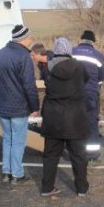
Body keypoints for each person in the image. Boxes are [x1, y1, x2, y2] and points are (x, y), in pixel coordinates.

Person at [40, 37, 90, 197]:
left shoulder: (47, 67)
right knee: (78, 155)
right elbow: (87, 79)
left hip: (53, 117)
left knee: (50, 155)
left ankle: (47, 188)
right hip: (75, 117)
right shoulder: (80, 67)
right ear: (69, 50)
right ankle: (82, 188)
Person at [0, 24, 40, 183]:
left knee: (7, 139)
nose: (31, 41)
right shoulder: (23, 57)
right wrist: (34, 107)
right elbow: (29, 85)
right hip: (18, 106)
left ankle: (7, 172)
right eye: (29, 38)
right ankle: (17, 174)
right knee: (19, 141)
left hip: (2, 105)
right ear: (23, 39)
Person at [71, 30, 104, 161]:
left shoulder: (72, 52)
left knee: (74, 123)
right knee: (91, 123)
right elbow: (102, 75)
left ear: (81, 39)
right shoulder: (98, 55)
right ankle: (92, 154)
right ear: (93, 41)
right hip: (91, 93)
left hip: (73, 93)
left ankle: (77, 152)